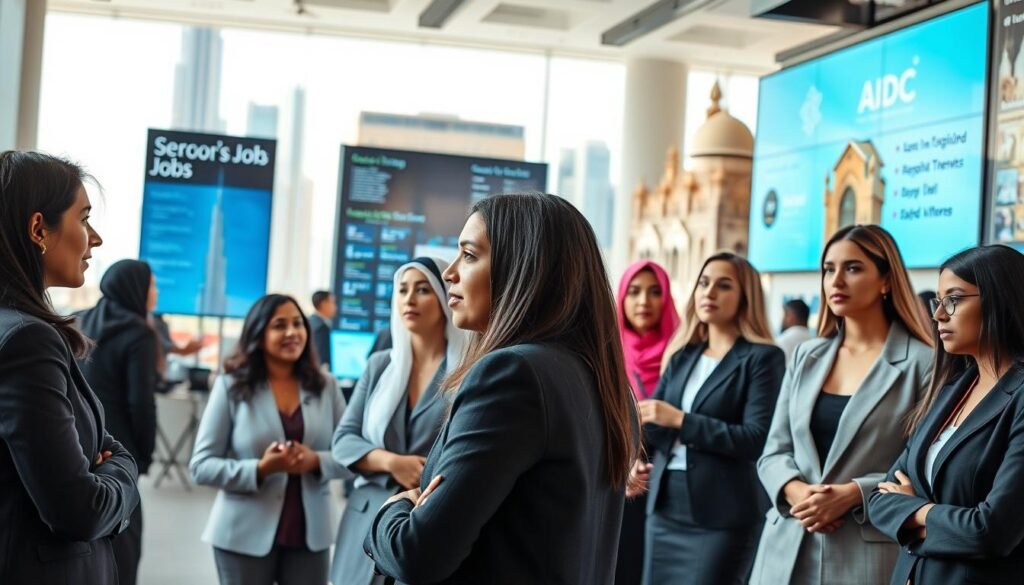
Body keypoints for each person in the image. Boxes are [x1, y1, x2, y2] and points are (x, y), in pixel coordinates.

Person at [364, 193, 639, 584]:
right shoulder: (611, 388)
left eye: (470, 255)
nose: (449, 273)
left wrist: (392, 510)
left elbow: (417, 554)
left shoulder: (512, 374)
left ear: (524, 269)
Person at [751, 224, 934, 585]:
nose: (836, 280)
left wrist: (854, 493)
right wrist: (798, 492)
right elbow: (773, 451)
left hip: (865, 553)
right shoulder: (807, 355)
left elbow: (922, 468)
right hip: (786, 543)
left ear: (886, 280)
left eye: (853, 268)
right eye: (828, 269)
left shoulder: (924, 363)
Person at [0, 150, 139, 584]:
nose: (94, 238)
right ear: (39, 229)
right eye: (84, 219)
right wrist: (122, 471)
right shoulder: (28, 341)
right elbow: (80, 510)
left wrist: (106, 463)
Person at [869, 245, 1024, 585]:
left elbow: (991, 531)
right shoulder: (953, 388)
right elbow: (880, 497)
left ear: (1000, 298)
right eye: (936, 301)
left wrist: (917, 511)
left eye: (953, 299)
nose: (938, 315)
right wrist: (933, 520)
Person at [630, 251, 784, 585]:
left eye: (723, 285)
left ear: (746, 296)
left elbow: (756, 438)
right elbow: (655, 428)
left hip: (723, 514)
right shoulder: (683, 355)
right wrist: (635, 459)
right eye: (704, 283)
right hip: (665, 505)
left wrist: (682, 421)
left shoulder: (763, 358)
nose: (709, 292)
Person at [190, 294, 350, 585]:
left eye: (297, 324)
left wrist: (316, 461)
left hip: (310, 533)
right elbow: (201, 466)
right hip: (241, 534)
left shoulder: (326, 386)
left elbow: (352, 455)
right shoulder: (231, 385)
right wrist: (260, 469)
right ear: (258, 333)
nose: (292, 333)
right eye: (279, 325)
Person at [330, 257, 468, 585]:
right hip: (366, 519)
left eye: (423, 290)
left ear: (443, 297)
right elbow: (343, 440)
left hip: (426, 522)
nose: (409, 299)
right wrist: (393, 462)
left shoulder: (467, 371)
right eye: (402, 290)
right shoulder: (380, 366)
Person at [76, 259, 161, 585]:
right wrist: (144, 455)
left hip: (82, 443)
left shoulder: (82, 321)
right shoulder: (138, 333)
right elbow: (141, 402)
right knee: (124, 542)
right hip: (119, 449)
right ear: (136, 289)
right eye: (152, 285)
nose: (155, 292)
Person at [614, 260, 679, 585]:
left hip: (668, 492)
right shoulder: (605, 352)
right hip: (614, 483)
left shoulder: (682, 354)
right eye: (635, 292)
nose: (644, 302)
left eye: (655, 292)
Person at [776, 299, 813, 365]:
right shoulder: (814, 342)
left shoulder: (781, 341)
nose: (781, 319)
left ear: (790, 316)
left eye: (784, 315)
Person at [308, 290, 336, 368]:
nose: (335, 307)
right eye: (332, 303)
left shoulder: (309, 321)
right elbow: (321, 358)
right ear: (324, 304)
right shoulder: (321, 327)